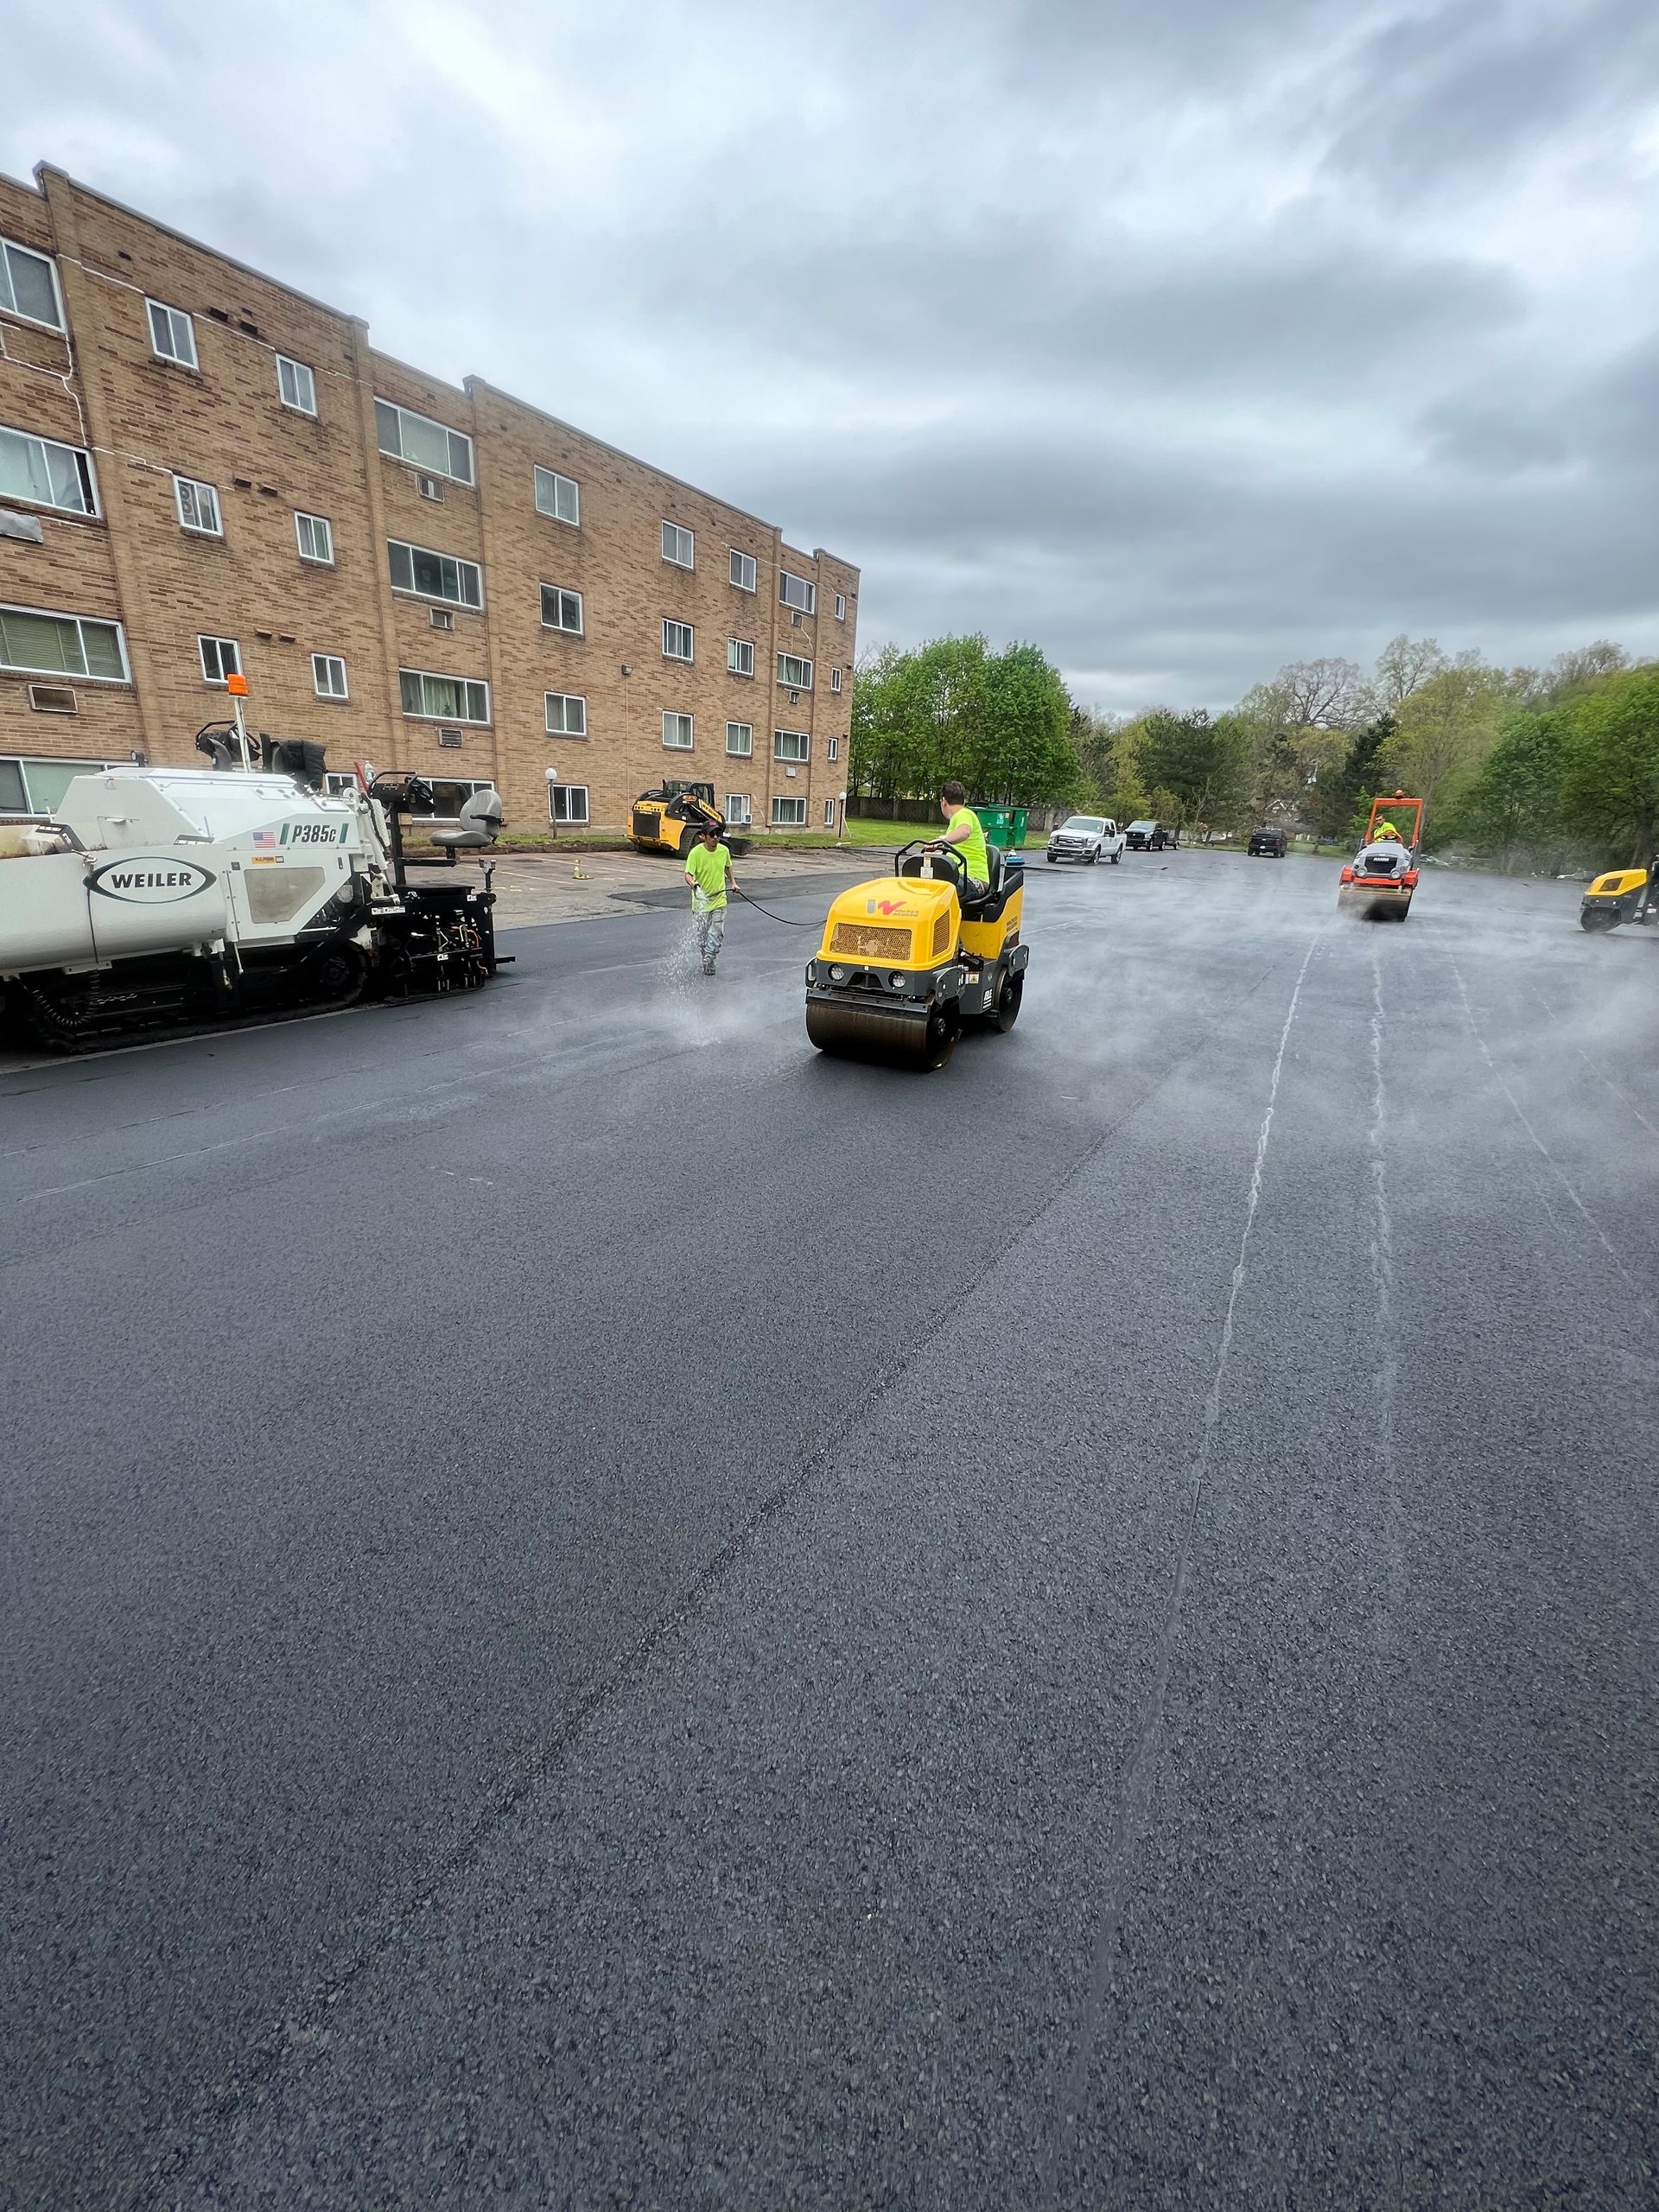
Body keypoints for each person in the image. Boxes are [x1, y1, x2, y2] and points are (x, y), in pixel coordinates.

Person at [683, 823, 741, 975]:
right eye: (712, 834)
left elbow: (727, 867)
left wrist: (733, 883)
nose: (716, 837)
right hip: (701, 902)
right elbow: (688, 874)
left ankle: (709, 959)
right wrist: (693, 883)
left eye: (718, 834)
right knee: (702, 938)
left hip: (719, 899)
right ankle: (707, 958)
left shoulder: (724, 851)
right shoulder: (695, 853)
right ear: (703, 836)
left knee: (716, 933)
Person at [931, 779, 989, 897]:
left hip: (972, 879)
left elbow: (964, 832)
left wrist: (941, 841)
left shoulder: (964, 814)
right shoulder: (958, 819)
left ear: (943, 801)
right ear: (964, 801)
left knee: (939, 891)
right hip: (959, 877)